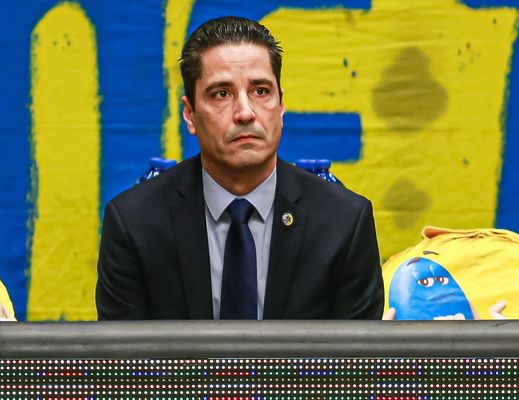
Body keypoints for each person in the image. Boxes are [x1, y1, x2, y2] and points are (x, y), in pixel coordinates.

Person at [96, 16, 383, 320]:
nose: (245, 113)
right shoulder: (134, 223)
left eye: (260, 91)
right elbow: (127, 350)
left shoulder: (344, 221)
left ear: (281, 106)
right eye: (221, 94)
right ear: (190, 114)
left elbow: (353, 351)